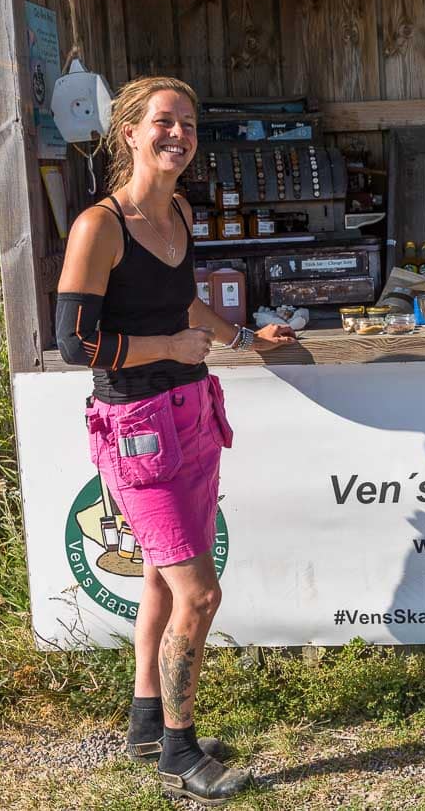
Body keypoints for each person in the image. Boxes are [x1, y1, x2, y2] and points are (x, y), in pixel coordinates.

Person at [55, 76, 295, 804]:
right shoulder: (100, 226)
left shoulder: (181, 210)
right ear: (129, 131)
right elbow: (74, 342)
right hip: (136, 433)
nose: (178, 134)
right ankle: (181, 752)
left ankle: (145, 724)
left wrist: (245, 334)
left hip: (192, 414)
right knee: (201, 592)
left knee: (162, 582)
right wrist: (169, 346)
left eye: (188, 124)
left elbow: (184, 299)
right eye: (164, 121)